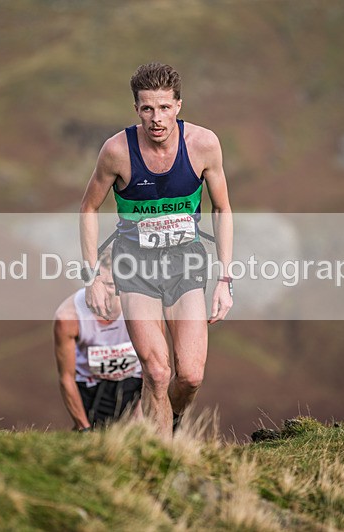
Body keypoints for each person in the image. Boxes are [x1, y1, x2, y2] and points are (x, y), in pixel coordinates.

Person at [80, 62, 234, 437]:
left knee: (191, 376)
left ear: (179, 105)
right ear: (136, 109)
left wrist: (225, 279)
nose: (156, 118)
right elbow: (88, 208)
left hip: (187, 267)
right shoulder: (117, 151)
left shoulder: (203, 144)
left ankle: (168, 417)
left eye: (164, 107)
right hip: (136, 269)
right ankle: (160, 453)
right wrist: (92, 278)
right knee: (157, 371)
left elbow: (222, 208)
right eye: (147, 108)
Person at [54, 247, 142, 431]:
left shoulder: (140, 307)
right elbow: (66, 378)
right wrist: (83, 427)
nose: (108, 292)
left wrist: (140, 416)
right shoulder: (68, 317)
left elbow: (159, 368)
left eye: (113, 285)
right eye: (100, 283)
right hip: (90, 387)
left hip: (135, 384)